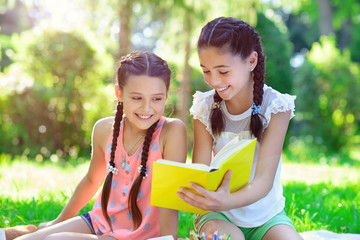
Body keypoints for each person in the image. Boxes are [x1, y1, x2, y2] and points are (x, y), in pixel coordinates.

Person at [16, 51, 187, 240]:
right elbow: (92, 180)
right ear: (119, 93)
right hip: (99, 221)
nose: (147, 108)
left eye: (156, 98)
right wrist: (58, 222)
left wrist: (168, 239)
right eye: (137, 98)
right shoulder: (104, 129)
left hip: (138, 235)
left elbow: (169, 198)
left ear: (166, 94)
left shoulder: (172, 131)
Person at [177, 17, 303, 240]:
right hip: (217, 213)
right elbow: (200, 170)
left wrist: (228, 199)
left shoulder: (275, 107)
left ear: (251, 60)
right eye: (206, 71)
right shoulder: (204, 107)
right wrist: (200, 196)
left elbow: (264, 181)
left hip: (266, 216)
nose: (214, 81)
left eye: (223, 72)